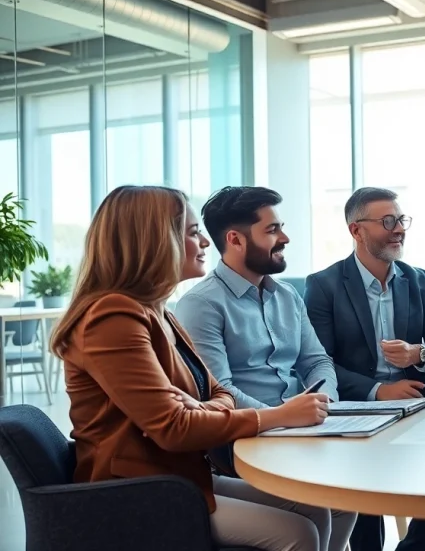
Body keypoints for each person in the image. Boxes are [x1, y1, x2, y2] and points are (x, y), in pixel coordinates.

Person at [51, 185, 334, 551]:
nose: (204, 242)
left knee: (319, 508)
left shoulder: (158, 311)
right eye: (192, 231)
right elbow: (173, 427)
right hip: (136, 491)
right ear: (154, 240)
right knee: (297, 533)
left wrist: (194, 407)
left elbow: (216, 394)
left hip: (176, 475)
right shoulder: (113, 317)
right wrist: (275, 416)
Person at [175, 186, 356, 551]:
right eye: (272, 230)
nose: (285, 237)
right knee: (323, 505)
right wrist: (283, 416)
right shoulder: (200, 304)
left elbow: (316, 361)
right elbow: (217, 389)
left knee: (346, 497)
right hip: (244, 439)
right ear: (235, 239)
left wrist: (324, 404)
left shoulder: (287, 295)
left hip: (300, 427)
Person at [304, 186, 425, 551]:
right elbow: (317, 362)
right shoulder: (324, 285)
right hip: (356, 408)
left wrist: (418, 354)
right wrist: (378, 391)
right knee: (362, 499)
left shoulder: (418, 279)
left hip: (418, 407)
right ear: (357, 230)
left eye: (401, 219)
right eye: (388, 221)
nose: (399, 228)